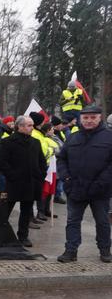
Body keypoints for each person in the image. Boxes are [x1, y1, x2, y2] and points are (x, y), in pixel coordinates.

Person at [56, 105, 112, 263]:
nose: (89, 121)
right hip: (76, 189)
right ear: (80, 119)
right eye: (85, 118)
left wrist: (102, 182)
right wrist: (66, 178)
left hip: (100, 190)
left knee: (102, 222)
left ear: (99, 118)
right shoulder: (73, 137)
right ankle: (70, 251)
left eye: (93, 117)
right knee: (72, 221)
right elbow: (62, 158)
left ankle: (105, 250)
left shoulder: (109, 137)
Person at [0, 115, 47, 247]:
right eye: (29, 125)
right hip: (13, 183)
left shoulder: (35, 142)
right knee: (4, 211)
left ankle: (23, 236)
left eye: (31, 125)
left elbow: (42, 162)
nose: (32, 127)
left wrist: (40, 176)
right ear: (20, 126)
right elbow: (2, 163)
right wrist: (13, 176)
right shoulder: (7, 142)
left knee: (26, 212)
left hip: (31, 183)